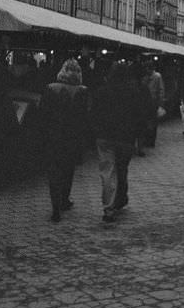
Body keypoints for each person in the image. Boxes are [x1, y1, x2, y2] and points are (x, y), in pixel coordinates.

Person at [90, 61, 143, 223]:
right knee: (122, 169)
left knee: (107, 171)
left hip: (105, 137)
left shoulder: (101, 91)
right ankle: (120, 198)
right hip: (125, 138)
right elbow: (138, 115)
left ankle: (109, 207)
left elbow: (94, 113)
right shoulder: (133, 92)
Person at [40, 58, 86, 223]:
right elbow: (84, 118)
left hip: (54, 136)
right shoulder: (82, 91)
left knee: (54, 172)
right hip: (72, 138)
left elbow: (43, 114)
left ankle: (55, 208)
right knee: (68, 170)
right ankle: (64, 200)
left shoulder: (50, 88)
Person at [140, 59, 165, 150]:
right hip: (146, 102)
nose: (146, 70)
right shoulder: (145, 77)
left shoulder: (157, 76)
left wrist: (160, 103)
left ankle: (151, 141)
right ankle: (146, 139)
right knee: (146, 121)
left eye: (147, 68)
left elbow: (161, 90)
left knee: (153, 122)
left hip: (154, 102)